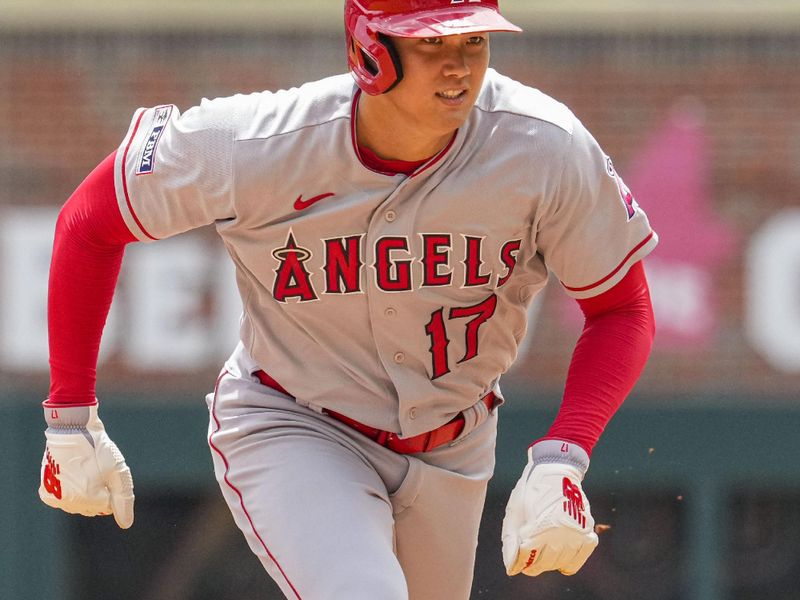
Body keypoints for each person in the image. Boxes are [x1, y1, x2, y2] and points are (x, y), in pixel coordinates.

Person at [38, 1, 657, 598]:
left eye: (474, 40)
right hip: (296, 421)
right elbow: (90, 220)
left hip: (456, 444)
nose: (460, 65)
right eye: (431, 42)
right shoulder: (258, 142)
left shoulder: (543, 145)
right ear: (371, 51)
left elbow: (621, 309)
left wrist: (563, 456)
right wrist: (70, 417)